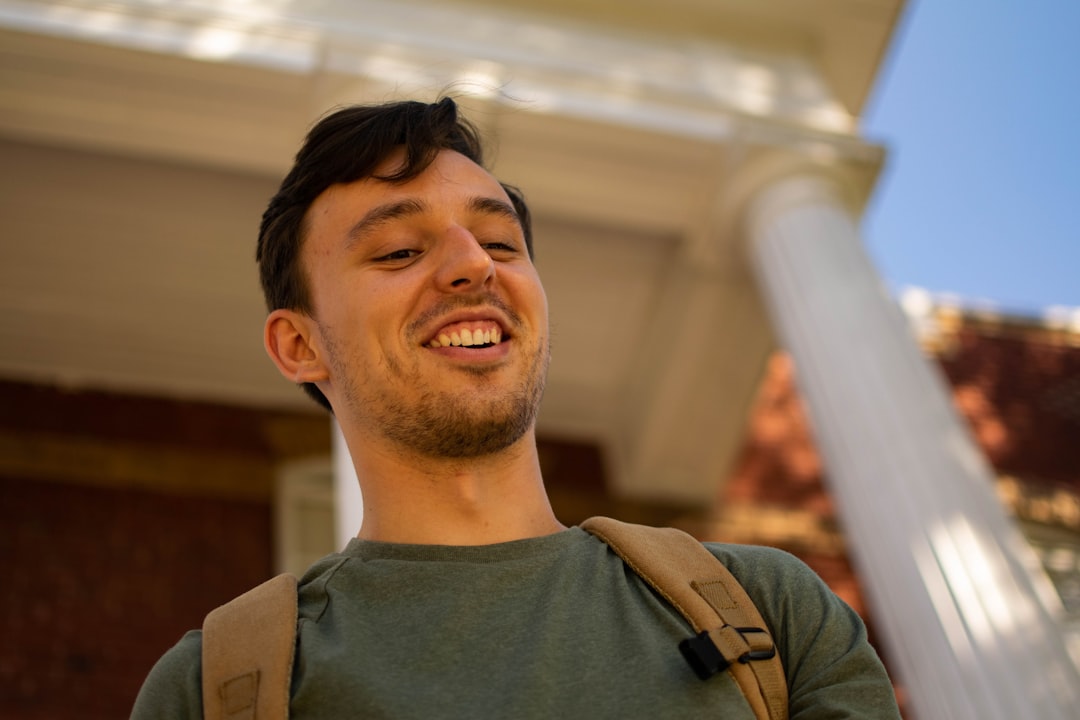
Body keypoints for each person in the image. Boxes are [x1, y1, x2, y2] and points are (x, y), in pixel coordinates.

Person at [131, 97, 901, 718]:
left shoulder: (769, 613)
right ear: (300, 345)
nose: (472, 265)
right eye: (400, 251)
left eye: (501, 244)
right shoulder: (220, 687)